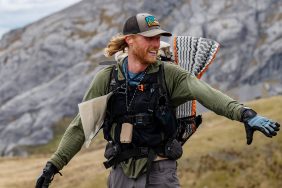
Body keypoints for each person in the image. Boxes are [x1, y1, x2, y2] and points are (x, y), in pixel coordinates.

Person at [35, 13, 280, 188]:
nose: (155, 43)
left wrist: (245, 114)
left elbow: (209, 94)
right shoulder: (107, 78)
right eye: (149, 38)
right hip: (121, 173)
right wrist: (53, 166)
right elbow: (81, 126)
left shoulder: (170, 74)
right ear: (130, 40)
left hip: (161, 172)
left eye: (158, 38)